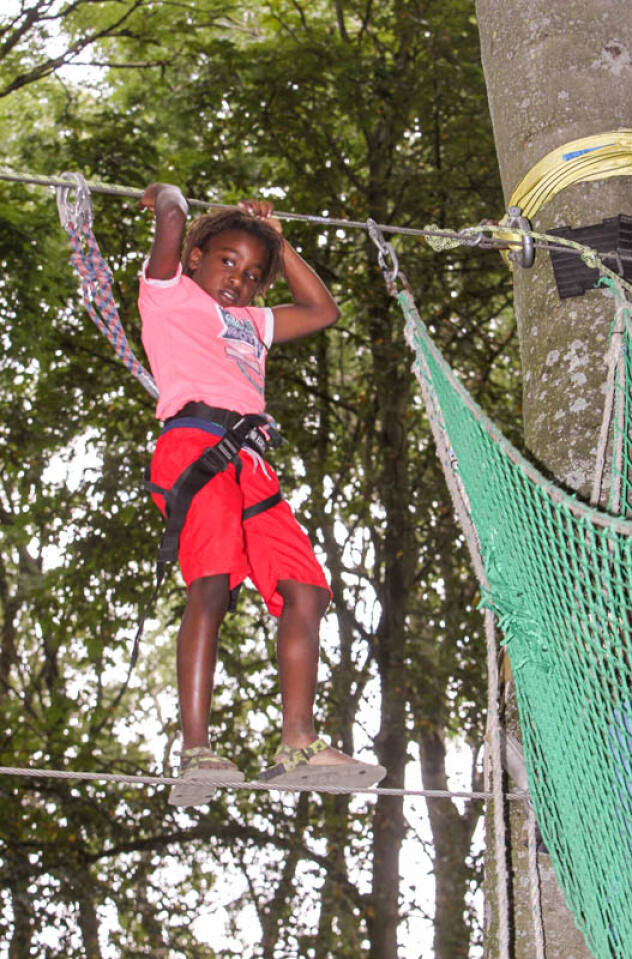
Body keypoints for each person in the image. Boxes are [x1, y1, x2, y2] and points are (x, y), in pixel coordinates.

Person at [138, 183, 385, 805]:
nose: (238, 280)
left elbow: (322, 311)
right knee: (211, 585)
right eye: (227, 262)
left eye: (252, 275)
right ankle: (196, 751)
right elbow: (173, 217)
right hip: (195, 448)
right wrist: (166, 195)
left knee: (308, 591)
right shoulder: (169, 296)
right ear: (196, 257)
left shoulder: (253, 323)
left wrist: (279, 242)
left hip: (250, 463)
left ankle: (298, 742)